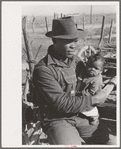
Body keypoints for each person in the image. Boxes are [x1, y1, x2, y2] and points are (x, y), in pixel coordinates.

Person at [31, 17, 116, 145]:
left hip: (81, 115)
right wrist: (95, 99)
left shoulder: (76, 61)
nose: (73, 45)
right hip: (57, 119)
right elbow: (62, 103)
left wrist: (103, 83)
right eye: (68, 41)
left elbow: (91, 76)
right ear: (54, 40)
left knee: (113, 143)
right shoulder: (43, 70)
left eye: (75, 41)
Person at [76, 53, 105, 125]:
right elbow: (80, 75)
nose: (92, 69)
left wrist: (80, 93)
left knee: (90, 109)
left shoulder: (96, 80)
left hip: (90, 96)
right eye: (90, 66)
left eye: (96, 68)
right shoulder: (84, 72)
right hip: (80, 91)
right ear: (86, 65)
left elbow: (91, 92)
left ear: (101, 71)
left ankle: (95, 117)